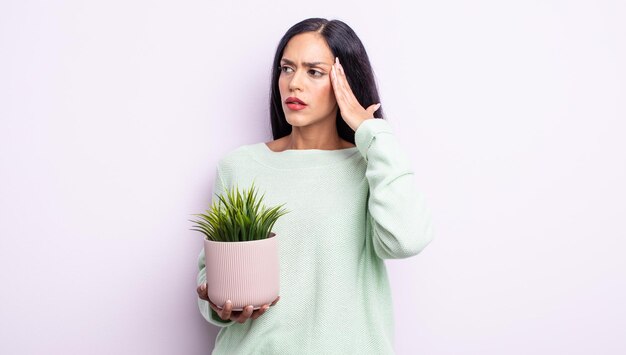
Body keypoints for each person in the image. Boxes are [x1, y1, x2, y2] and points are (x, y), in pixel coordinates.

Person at [196, 17, 434, 354]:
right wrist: (221, 304)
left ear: (345, 83)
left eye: (314, 72)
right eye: (286, 68)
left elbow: (406, 240)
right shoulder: (239, 167)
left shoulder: (371, 165)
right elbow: (211, 272)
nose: (294, 84)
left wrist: (374, 133)